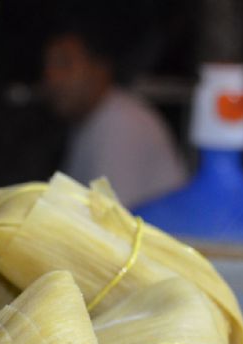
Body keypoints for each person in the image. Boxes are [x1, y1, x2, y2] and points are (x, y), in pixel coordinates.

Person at [43, 22, 187, 208]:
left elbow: (111, 216)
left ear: (100, 68)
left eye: (64, 63)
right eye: (48, 66)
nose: (52, 77)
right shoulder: (91, 121)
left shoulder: (122, 124)